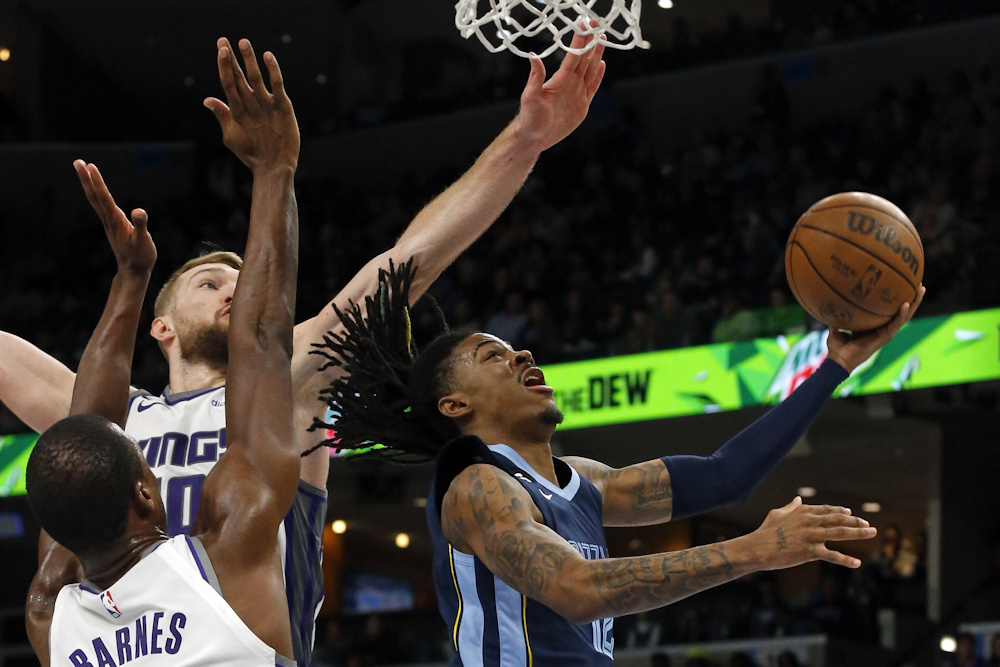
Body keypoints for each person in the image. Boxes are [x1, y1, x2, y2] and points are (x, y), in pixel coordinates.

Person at [6, 22, 608, 665]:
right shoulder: (112, 423)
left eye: (244, 280)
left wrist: (526, 138)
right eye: (210, 283)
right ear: (163, 327)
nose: (235, 291)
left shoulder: (289, 382)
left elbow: (410, 261)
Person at [309, 258, 924, 664]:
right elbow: (575, 589)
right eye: (492, 356)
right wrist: (752, 551)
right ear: (455, 404)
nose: (521, 354)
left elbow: (726, 476)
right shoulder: (477, 487)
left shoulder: (586, 481)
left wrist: (835, 366)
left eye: (515, 348)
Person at [26, 37, 301, 664]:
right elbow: (262, 339)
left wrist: (128, 278)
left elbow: (83, 432)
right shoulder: (224, 560)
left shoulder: (51, 618)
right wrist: (275, 167)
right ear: (148, 495)